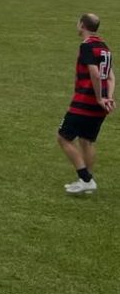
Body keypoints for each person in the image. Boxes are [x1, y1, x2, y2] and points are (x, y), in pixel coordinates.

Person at [57, 13, 114, 194]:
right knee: (86, 140)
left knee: (63, 137)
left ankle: (86, 179)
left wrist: (98, 98)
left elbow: (95, 74)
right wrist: (107, 97)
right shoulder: (104, 47)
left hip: (85, 102)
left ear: (82, 25)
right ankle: (87, 181)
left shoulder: (86, 46)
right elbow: (111, 76)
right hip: (101, 106)